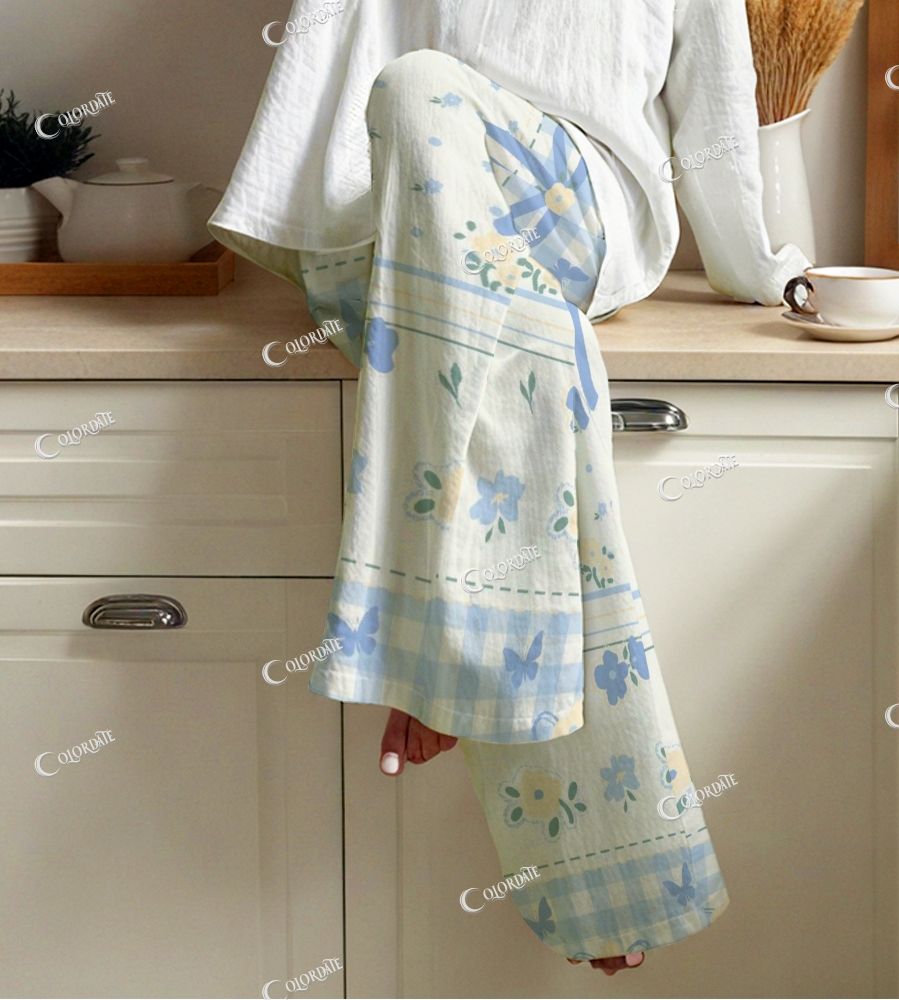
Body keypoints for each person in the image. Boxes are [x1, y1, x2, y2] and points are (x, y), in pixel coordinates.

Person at [210, 0, 809, 978]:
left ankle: (444, 658)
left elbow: (715, 120)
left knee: (418, 87)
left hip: (569, 207)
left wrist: (764, 274)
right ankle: (586, 842)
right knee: (514, 351)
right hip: (408, 221)